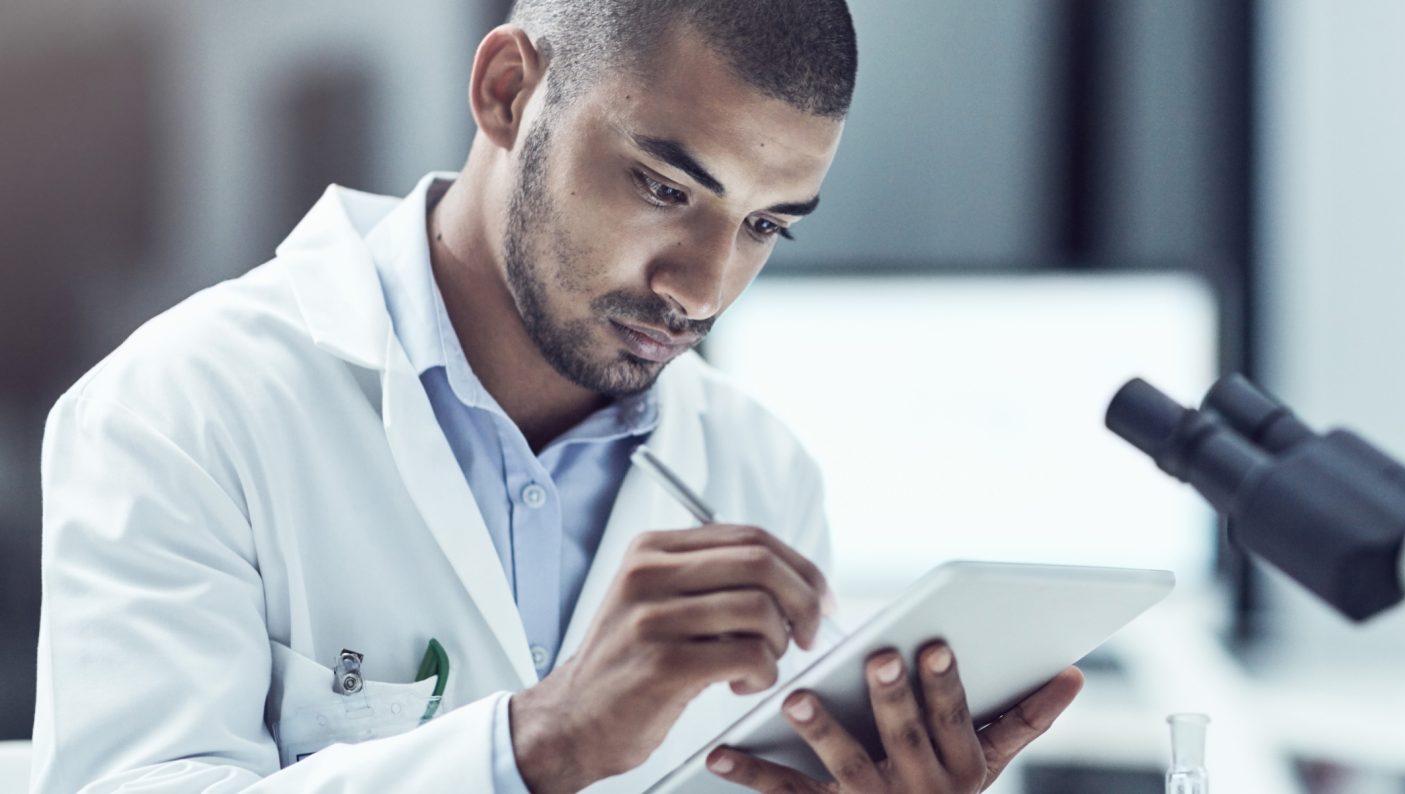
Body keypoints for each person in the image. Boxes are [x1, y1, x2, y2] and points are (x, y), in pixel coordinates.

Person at [31, 1, 1083, 791]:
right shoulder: (180, 410)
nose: (702, 289)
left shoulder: (759, 469)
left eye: (765, 225)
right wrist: (536, 742)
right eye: (664, 187)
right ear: (507, 92)